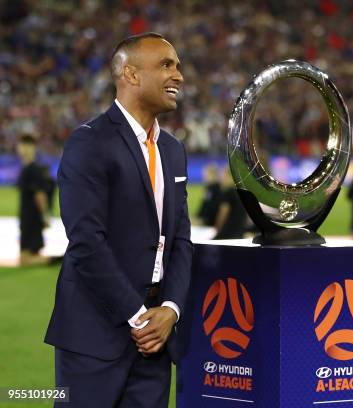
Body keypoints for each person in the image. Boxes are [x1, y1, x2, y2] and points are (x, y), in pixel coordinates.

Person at [45, 32, 192, 407]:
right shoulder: (90, 142)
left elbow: (180, 241)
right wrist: (139, 316)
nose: (178, 75)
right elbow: (86, 242)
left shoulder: (173, 151)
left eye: (177, 66)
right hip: (96, 336)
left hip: (157, 339)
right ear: (130, 74)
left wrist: (170, 310)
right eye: (166, 65)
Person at [16, 134, 54, 266]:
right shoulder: (28, 169)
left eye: (25, 146)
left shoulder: (32, 170)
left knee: (24, 259)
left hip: (31, 219)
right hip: (29, 218)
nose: (22, 149)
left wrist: (45, 216)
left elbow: (40, 194)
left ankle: (61, 261)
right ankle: (59, 261)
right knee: (32, 255)